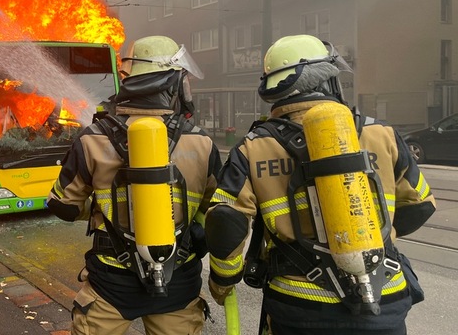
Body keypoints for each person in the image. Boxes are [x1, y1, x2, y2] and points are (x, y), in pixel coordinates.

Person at [205, 34, 437, 334]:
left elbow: (226, 223)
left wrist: (222, 282)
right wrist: (372, 237)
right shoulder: (381, 133)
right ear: (327, 79)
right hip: (384, 297)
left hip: (300, 305)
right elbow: (421, 205)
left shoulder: (254, 147)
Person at [47, 35, 222, 335]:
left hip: (111, 282)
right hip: (178, 282)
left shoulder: (92, 138)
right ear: (172, 84)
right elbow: (219, 213)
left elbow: (64, 206)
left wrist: (104, 208)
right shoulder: (202, 143)